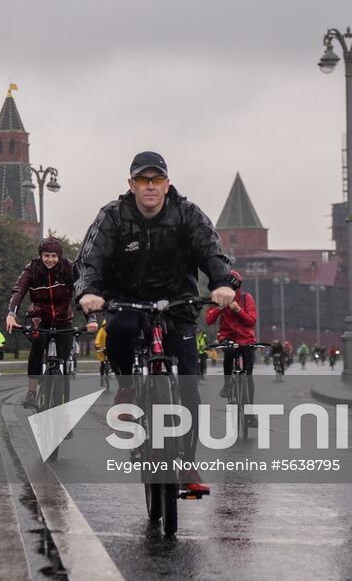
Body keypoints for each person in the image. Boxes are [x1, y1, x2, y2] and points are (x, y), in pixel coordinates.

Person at [76, 150, 238, 497]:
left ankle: (187, 463)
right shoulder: (113, 216)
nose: (150, 186)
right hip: (127, 301)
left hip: (177, 304)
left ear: (167, 183)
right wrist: (89, 291)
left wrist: (223, 282)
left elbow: (211, 251)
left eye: (157, 179)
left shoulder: (188, 214)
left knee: (189, 388)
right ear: (131, 184)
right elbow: (91, 259)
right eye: (142, 179)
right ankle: (127, 386)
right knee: (118, 331)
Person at [7, 237, 78, 409]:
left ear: (59, 256)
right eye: (46, 255)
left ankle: (63, 392)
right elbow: (19, 290)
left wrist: (91, 318)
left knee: (63, 359)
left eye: (54, 256)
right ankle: (31, 392)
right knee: (37, 345)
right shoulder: (32, 268)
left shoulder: (69, 268)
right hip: (38, 317)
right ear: (40, 255)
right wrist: (11, 314)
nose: (50, 260)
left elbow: (83, 290)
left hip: (63, 319)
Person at [206, 269, 258, 400]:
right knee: (228, 353)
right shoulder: (218, 298)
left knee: (248, 375)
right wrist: (220, 307)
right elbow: (209, 320)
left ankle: (249, 408)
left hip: (246, 338)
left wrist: (238, 310)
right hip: (227, 337)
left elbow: (251, 321)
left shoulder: (246, 298)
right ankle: (227, 384)